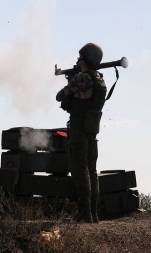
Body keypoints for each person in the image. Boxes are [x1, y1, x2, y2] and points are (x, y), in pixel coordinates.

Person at [56, 43, 107, 223]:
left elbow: (60, 95)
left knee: (79, 168)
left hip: (79, 128)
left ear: (84, 59)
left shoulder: (82, 78)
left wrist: (72, 80)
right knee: (92, 170)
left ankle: (84, 212)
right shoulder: (99, 78)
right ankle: (93, 213)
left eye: (79, 58)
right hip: (92, 129)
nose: (77, 61)